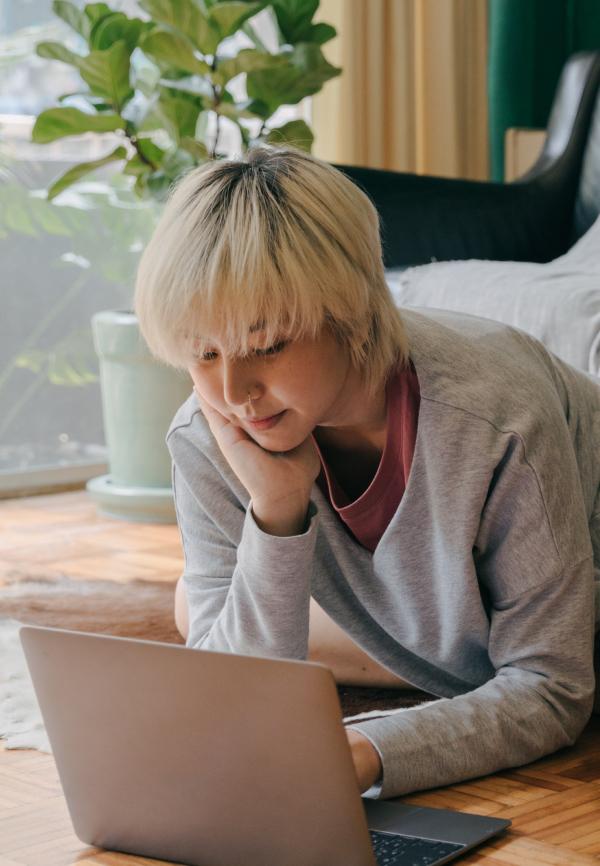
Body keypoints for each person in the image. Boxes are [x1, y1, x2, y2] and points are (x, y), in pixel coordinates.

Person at [134, 144, 600, 799]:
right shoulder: (209, 431)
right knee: (197, 605)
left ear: (348, 309)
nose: (234, 391)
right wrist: (276, 509)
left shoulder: (495, 415)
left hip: (578, 619)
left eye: (267, 345)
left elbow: (554, 688)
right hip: (455, 624)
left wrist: (364, 750)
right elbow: (231, 701)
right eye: (203, 353)